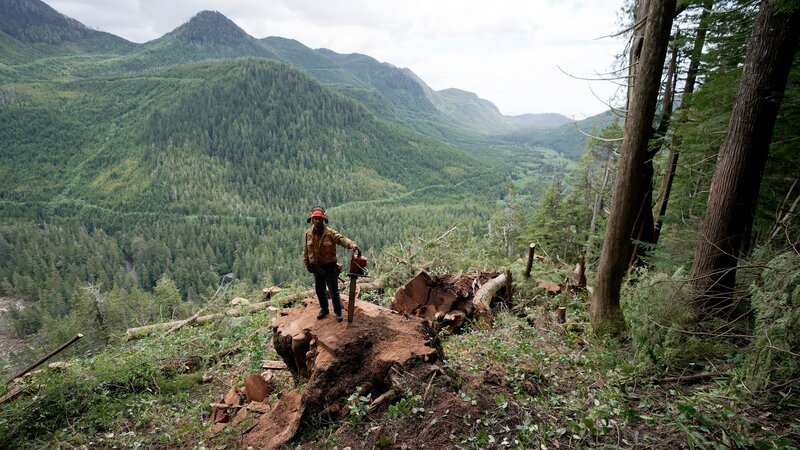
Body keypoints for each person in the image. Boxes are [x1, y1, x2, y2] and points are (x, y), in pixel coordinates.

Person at [302, 206, 358, 322]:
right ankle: (324, 309)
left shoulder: (330, 233)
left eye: (319, 219)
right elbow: (306, 251)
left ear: (323, 220)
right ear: (312, 220)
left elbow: (342, 239)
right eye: (315, 219)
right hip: (316, 268)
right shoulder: (308, 234)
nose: (317, 221)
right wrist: (307, 264)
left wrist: (352, 244)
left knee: (334, 291)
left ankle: (338, 313)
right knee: (319, 290)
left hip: (330, 267)